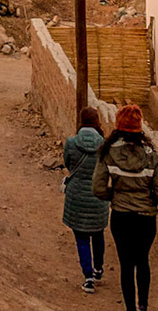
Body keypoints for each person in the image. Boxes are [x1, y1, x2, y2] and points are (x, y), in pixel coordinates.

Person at [93, 104, 158, 311]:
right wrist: (149, 199)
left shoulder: (109, 153)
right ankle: (143, 305)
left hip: (121, 217)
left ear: (118, 126)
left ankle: (130, 308)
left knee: (126, 265)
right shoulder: (151, 156)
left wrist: (116, 196)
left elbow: (98, 188)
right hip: (146, 219)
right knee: (142, 261)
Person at [61, 108, 109, 292]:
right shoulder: (104, 145)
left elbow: (68, 163)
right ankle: (98, 269)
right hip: (98, 198)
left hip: (77, 198)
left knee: (81, 239)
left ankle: (88, 277)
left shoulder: (72, 143)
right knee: (98, 235)